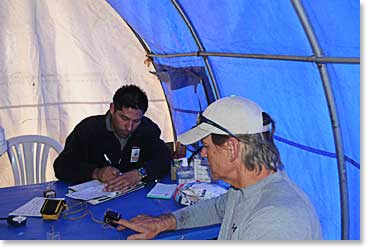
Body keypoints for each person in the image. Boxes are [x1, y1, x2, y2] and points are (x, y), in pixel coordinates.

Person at [113, 95, 323, 240]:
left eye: (206, 147)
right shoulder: (244, 190)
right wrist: (162, 222)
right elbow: (215, 208)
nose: (203, 154)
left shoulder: (276, 220)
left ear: (231, 148)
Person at [53, 84, 171, 192]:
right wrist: (96, 173)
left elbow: (164, 159)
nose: (129, 127)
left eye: (136, 121)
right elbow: (62, 166)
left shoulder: (147, 129)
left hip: (133, 196)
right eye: (124, 119)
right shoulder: (89, 129)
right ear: (112, 109)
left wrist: (141, 173)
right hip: (93, 200)